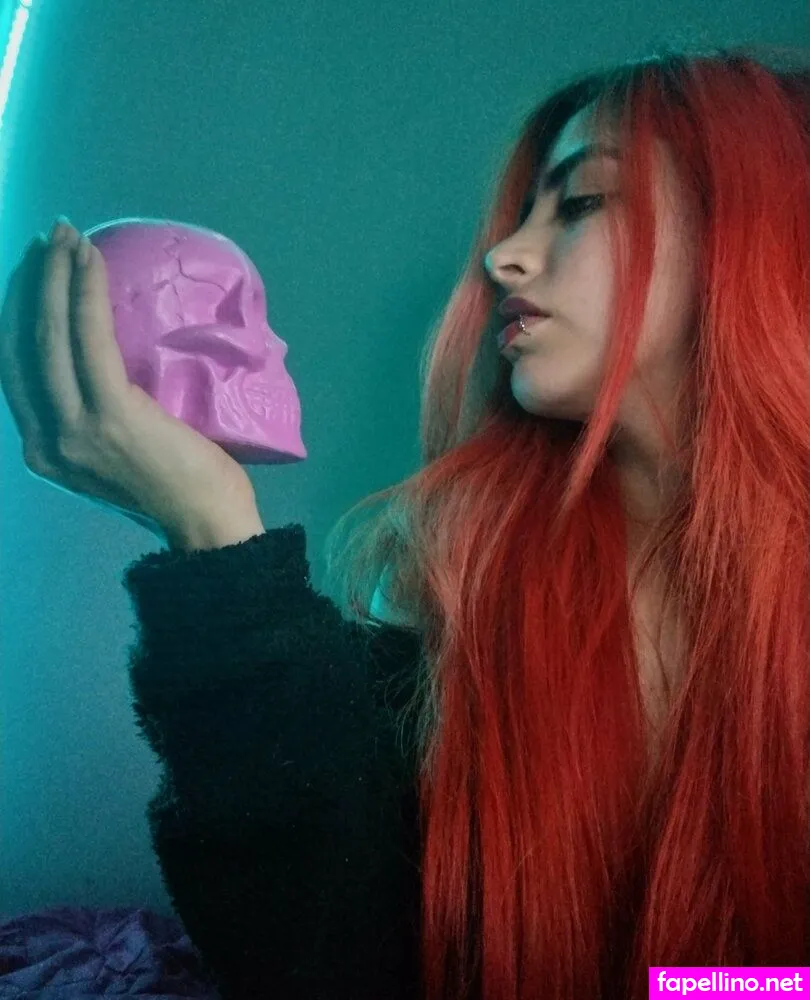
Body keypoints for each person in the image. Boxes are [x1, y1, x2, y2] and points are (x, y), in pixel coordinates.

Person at [1, 41, 808, 1000]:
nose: (501, 256)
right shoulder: (458, 596)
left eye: (582, 201)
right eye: (522, 213)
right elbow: (330, 959)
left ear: (756, 233)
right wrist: (212, 533)